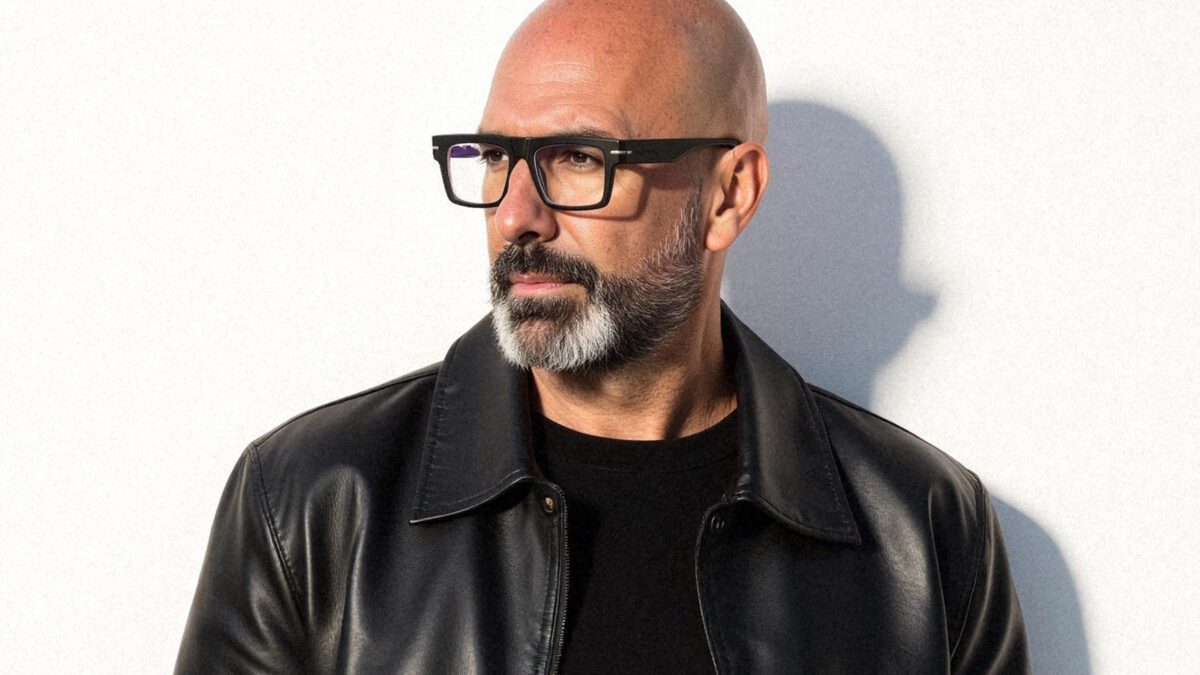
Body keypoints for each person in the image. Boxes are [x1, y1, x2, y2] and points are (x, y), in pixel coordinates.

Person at [176, 0, 1029, 672]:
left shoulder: (922, 527)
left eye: (580, 158)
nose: (516, 214)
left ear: (728, 195)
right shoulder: (313, 502)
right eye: (495, 155)